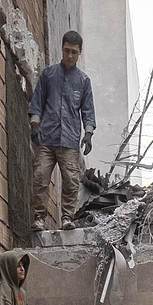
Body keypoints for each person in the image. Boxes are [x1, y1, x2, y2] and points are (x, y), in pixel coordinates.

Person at [29, 29, 94, 230]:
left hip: (69, 140)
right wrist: (34, 123)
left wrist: (89, 133)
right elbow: (37, 101)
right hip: (46, 138)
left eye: (74, 52)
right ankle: (39, 217)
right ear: (62, 49)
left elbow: (88, 110)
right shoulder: (49, 75)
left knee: (71, 180)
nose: (69, 56)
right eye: (67, 51)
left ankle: (67, 217)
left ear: (79, 52)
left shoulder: (83, 81)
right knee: (40, 177)